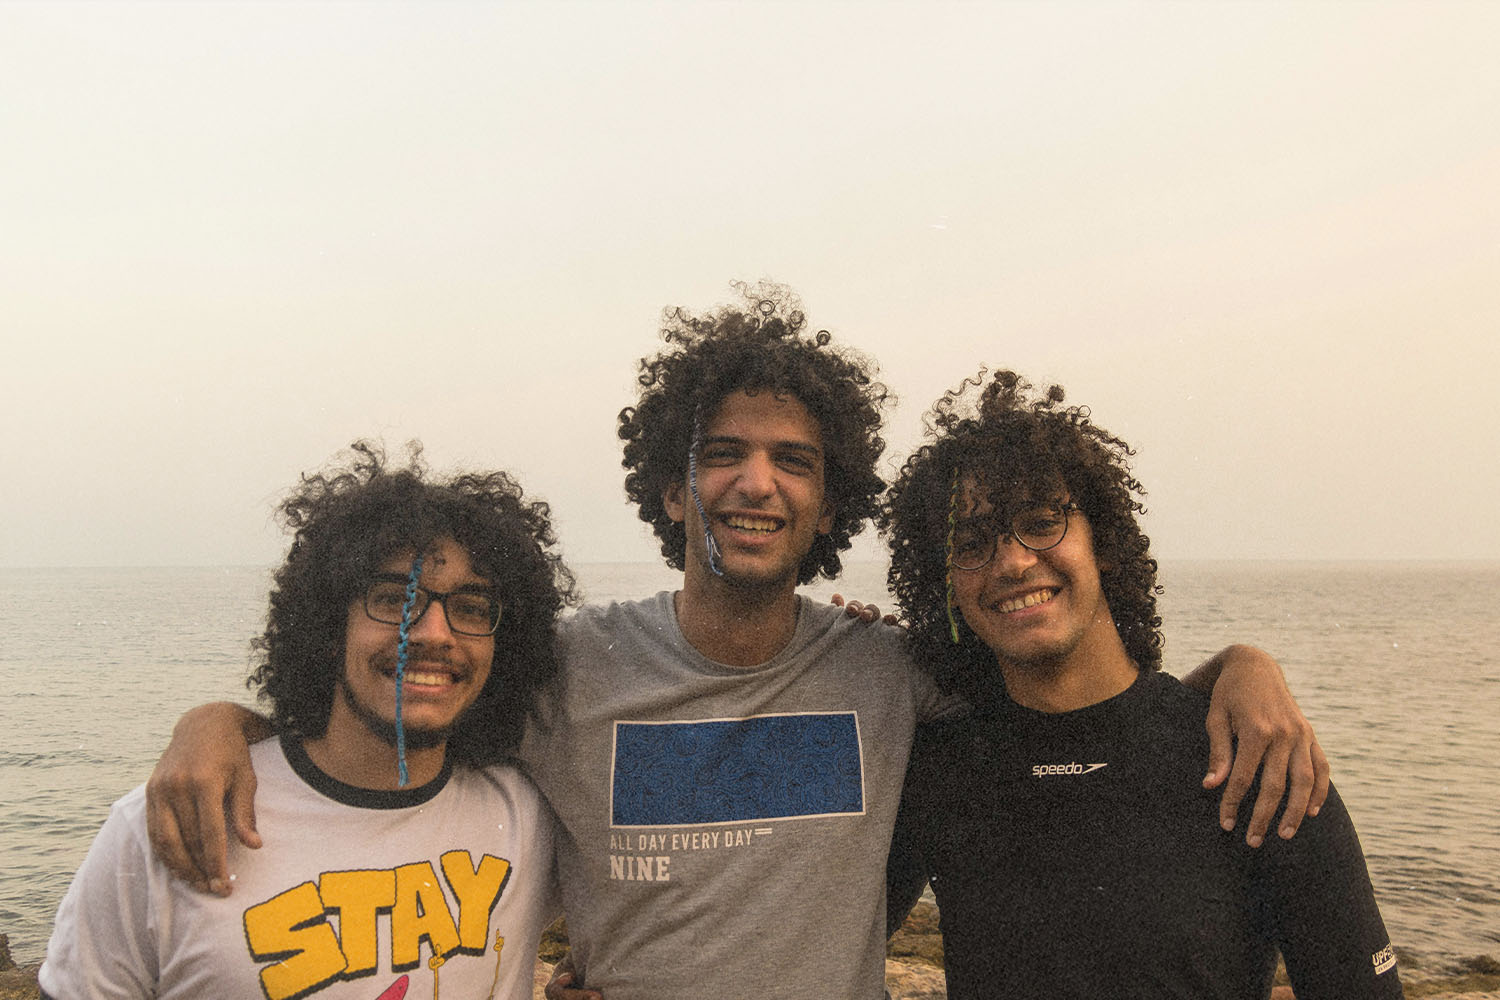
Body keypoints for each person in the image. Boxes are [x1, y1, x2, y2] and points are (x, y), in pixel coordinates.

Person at [144, 285, 1326, 1000]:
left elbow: (1075, 685)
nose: (756, 483)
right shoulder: (562, 668)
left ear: (829, 502)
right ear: (670, 485)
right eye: (724, 453)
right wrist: (227, 727)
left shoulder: (893, 669)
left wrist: (1240, 671)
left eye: (795, 461)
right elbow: (398, 708)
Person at [882, 370, 1401, 998]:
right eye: (972, 541)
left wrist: (1246, 660)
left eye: (1042, 522)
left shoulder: (1252, 755)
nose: (1014, 562)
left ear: (1104, 541)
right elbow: (822, 936)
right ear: (946, 585)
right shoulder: (936, 768)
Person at [40, 444, 575, 1000]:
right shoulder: (171, 823)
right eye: (393, 599)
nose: (434, 633)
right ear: (327, 623)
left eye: (470, 607)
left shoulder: (526, 816)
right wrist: (211, 721)